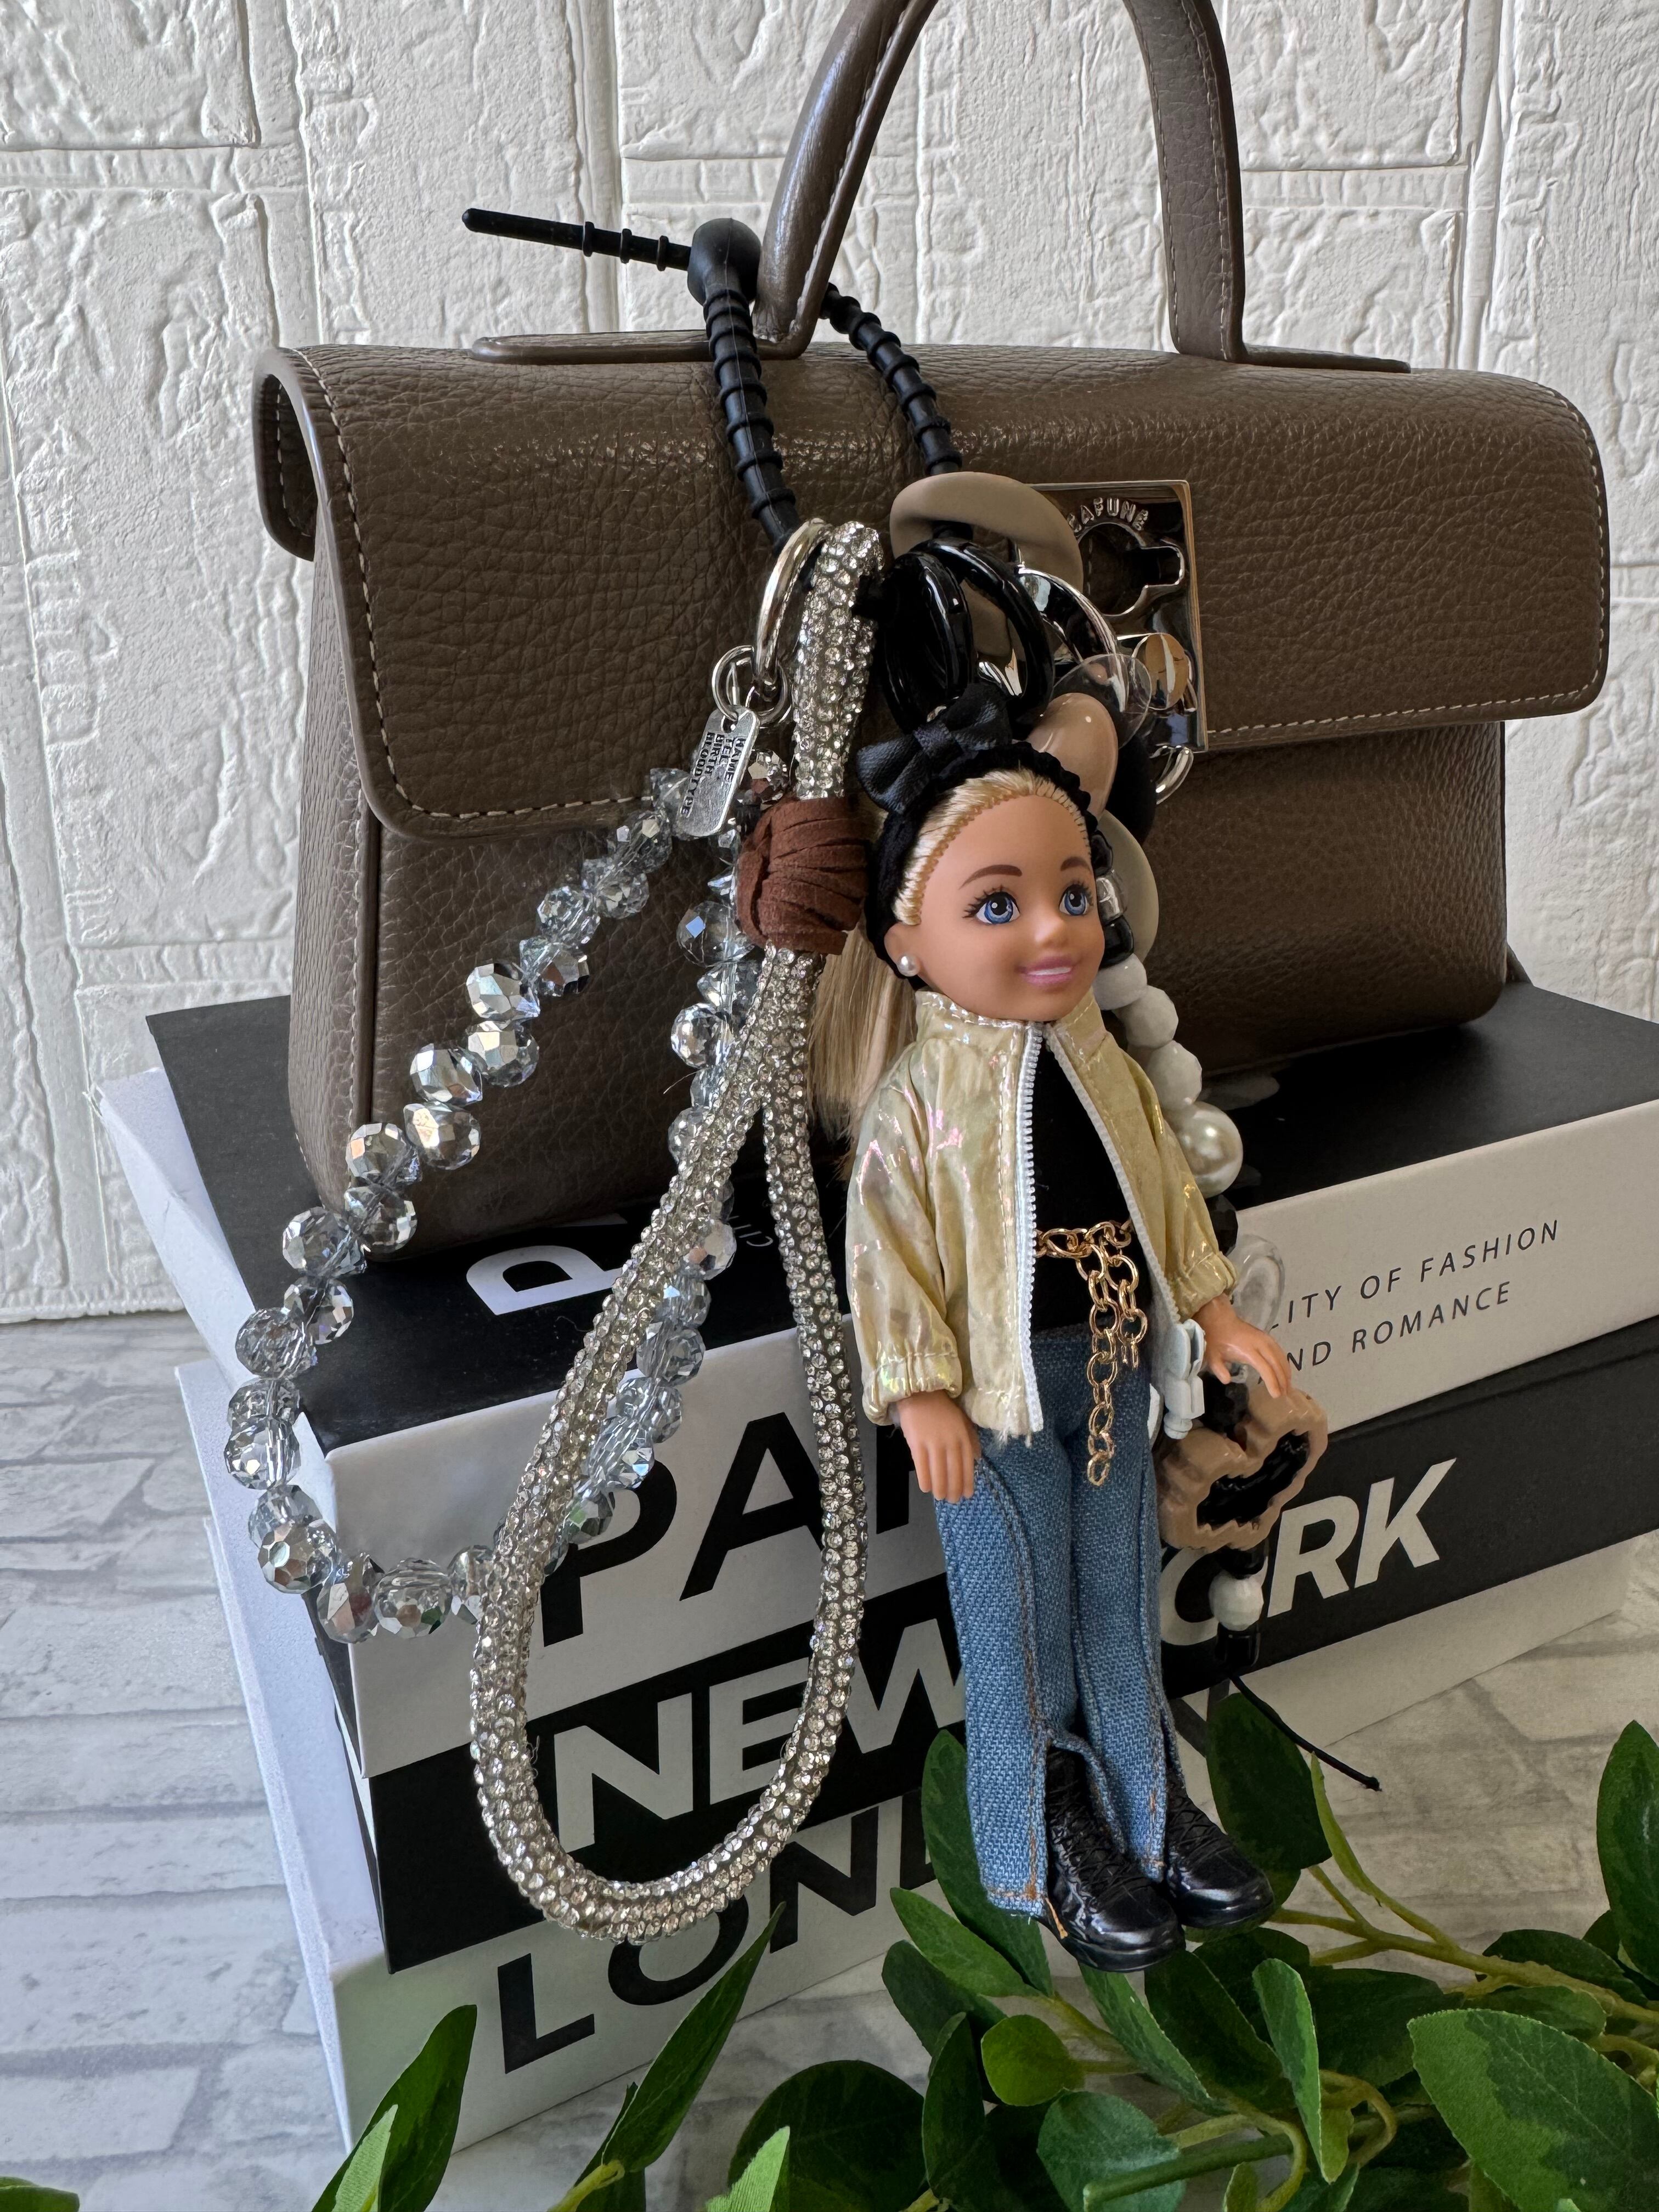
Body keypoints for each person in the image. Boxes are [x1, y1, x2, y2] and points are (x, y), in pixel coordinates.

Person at [812, 681, 1289, 1972]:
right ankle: (1043, 1838)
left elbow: (1166, 1195)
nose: (1052, 930)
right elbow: (887, 1254)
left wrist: (1216, 1312)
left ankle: (1153, 1809)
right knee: (1017, 1620)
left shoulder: (1105, 1066)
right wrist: (918, 1392)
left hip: (1119, 1373)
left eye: (1075, 894)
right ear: (907, 943)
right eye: (997, 904)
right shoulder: (919, 1101)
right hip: (995, 1398)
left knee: (1120, 1599)